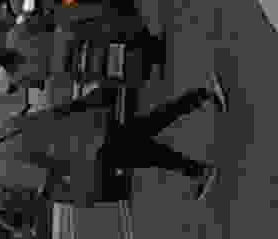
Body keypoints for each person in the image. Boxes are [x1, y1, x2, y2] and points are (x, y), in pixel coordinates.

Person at [90, 80, 230, 192]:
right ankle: (199, 171)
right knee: (157, 142)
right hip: (106, 149)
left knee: (157, 138)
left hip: (107, 145)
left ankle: (205, 94)